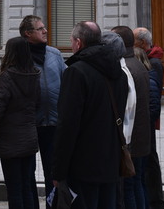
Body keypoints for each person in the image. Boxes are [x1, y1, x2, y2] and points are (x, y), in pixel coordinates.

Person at [53, 21, 129, 209]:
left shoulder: (76, 72)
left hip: (83, 164)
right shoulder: (119, 73)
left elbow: (67, 124)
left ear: (78, 43)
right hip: (110, 161)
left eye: (71, 41)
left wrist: (58, 171)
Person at [0, 36, 41, 209]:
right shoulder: (35, 74)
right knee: (27, 186)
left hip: (9, 140)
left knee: (14, 189)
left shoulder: (6, 78)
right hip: (29, 137)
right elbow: (38, 103)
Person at [19, 14, 64, 194]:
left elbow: (66, 81)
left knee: (52, 172)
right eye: (40, 29)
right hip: (29, 124)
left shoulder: (55, 54)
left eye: (44, 28)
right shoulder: (19, 56)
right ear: (28, 33)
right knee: (27, 171)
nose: (45, 31)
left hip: (53, 123)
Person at [111, 26, 150, 209]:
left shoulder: (123, 68)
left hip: (130, 140)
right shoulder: (138, 64)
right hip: (140, 139)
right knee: (137, 184)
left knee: (128, 188)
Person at [133, 27, 164, 209]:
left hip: (146, 122)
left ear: (143, 43)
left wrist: (148, 120)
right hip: (145, 121)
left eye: (134, 40)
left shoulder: (154, 62)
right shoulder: (150, 58)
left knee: (150, 162)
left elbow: (153, 97)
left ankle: (155, 202)